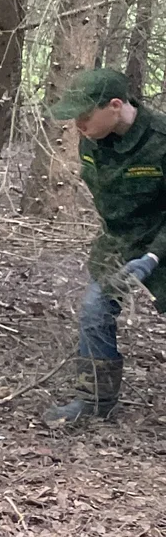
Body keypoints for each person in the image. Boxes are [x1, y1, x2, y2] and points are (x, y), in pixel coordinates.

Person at [43, 68, 166, 425]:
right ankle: (95, 401)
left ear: (115, 106)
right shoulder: (92, 139)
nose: (78, 125)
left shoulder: (161, 139)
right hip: (119, 240)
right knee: (95, 312)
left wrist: (154, 256)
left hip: (161, 239)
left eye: (84, 115)